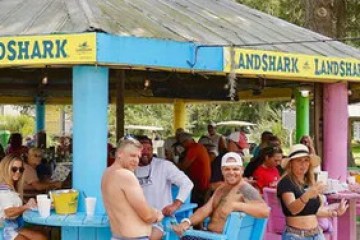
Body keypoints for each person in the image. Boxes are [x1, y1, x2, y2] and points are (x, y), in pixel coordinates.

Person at [173, 152, 270, 237]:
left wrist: (237, 205)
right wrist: (187, 222)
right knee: (175, 231)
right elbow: (205, 209)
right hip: (210, 235)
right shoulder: (221, 188)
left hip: (223, 237)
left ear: (242, 170)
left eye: (235, 169)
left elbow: (265, 211)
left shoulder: (245, 188)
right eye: (227, 169)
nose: (231, 172)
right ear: (222, 171)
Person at [277, 144, 348, 240]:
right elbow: (293, 209)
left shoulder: (309, 182)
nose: (303, 164)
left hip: (317, 234)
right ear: (291, 163)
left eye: (306, 160)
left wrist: (334, 213)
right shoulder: (286, 182)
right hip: (296, 235)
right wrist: (308, 195)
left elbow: (313, 211)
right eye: (299, 160)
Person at [102, 138, 164, 240]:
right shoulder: (126, 175)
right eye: (132, 155)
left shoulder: (107, 173)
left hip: (117, 236)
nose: (136, 160)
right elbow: (147, 216)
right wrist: (157, 214)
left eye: (138, 157)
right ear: (120, 154)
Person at [134, 136, 194, 240]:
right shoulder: (130, 167)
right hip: (136, 219)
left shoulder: (164, 166)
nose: (146, 152)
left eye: (149, 149)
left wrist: (175, 205)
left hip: (160, 220)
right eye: (142, 149)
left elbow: (187, 183)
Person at [0, 154, 47, 240]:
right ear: (5, 169)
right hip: (3, 228)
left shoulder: (12, 187)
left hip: (13, 225)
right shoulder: (3, 190)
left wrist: (29, 204)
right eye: (14, 169)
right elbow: (8, 212)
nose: (18, 172)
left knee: (41, 237)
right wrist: (27, 206)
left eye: (20, 169)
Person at [177, 132, 211, 207]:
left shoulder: (194, 148)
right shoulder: (198, 147)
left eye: (182, 144)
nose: (182, 146)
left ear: (185, 141)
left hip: (199, 184)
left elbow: (183, 166)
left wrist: (171, 161)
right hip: (200, 182)